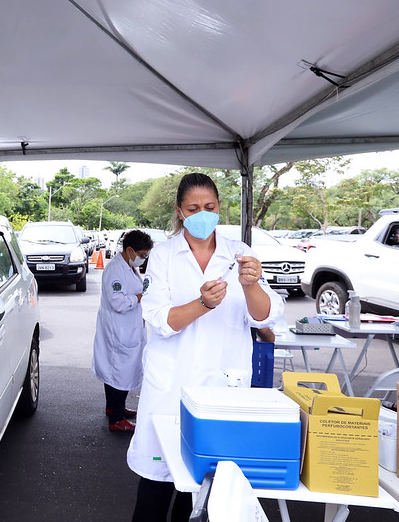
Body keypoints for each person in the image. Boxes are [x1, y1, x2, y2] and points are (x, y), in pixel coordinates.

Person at [127, 173, 283, 522]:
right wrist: (203, 304)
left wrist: (252, 285)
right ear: (180, 211)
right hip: (171, 386)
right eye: (193, 207)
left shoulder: (239, 254)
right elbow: (158, 318)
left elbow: (265, 316)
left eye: (209, 207)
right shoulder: (165, 254)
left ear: (219, 208)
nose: (202, 213)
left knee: (203, 494)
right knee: (155, 490)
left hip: (221, 387)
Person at [92, 229, 154, 433]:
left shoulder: (128, 266)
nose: (143, 259)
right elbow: (118, 302)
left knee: (117, 371)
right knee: (121, 372)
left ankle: (113, 408)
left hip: (126, 327)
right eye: (142, 255)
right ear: (130, 250)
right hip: (118, 330)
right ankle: (117, 419)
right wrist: (140, 297)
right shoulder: (115, 270)